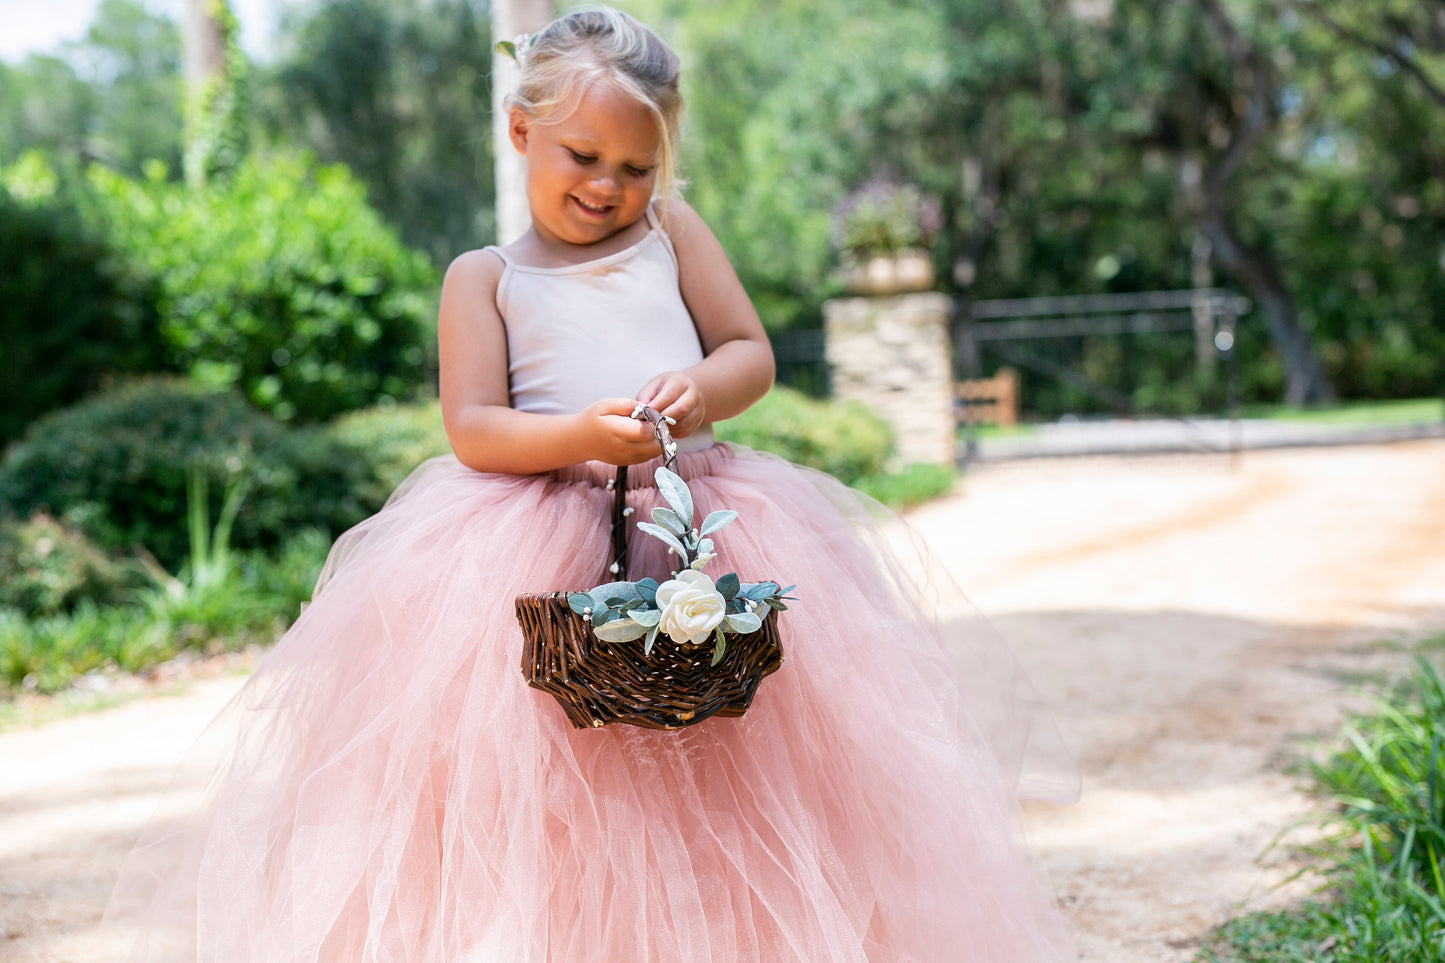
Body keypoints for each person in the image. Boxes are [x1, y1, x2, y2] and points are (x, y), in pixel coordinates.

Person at [104, 8, 1077, 960]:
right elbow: (473, 428)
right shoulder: (481, 279)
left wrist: (699, 388)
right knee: (563, 779)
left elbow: (749, 351)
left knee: (720, 758)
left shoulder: (671, 234)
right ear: (519, 129)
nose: (606, 186)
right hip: (539, 543)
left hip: (701, 526)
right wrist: (577, 435)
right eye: (581, 155)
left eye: (634, 167)